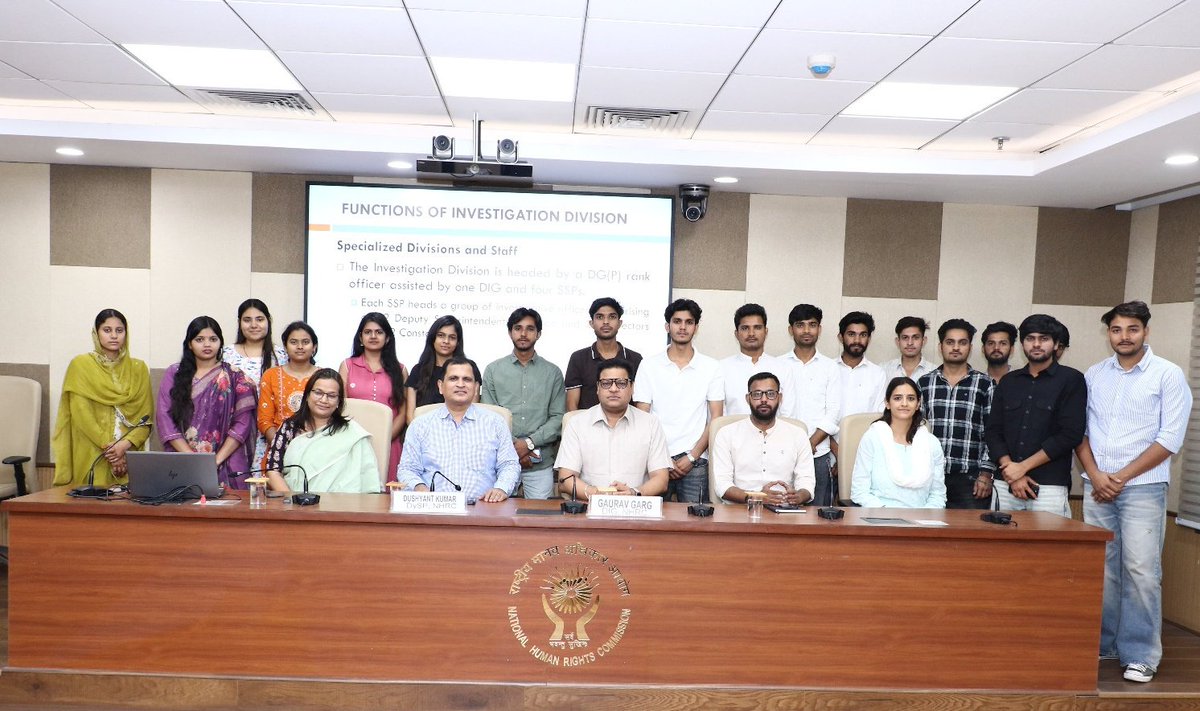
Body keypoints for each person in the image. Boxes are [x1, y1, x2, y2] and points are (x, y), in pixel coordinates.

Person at [1075, 301, 1191, 684]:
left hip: (1142, 488)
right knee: (1104, 570)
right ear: (1108, 333)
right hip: (1097, 487)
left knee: (1141, 571)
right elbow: (1081, 430)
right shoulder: (1095, 374)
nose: (1124, 337)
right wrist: (1095, 474)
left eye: (1132, 329)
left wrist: (1119, 477)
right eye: (1116, 330)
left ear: (1146, 331)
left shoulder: (1167, 375)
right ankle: (1106, 645)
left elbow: (1169, 439)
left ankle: (1141, 654)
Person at [984, 314, 1086, 518]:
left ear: (1056, 344)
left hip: (1049, 487)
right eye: (1030, 339)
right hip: (1005, 484)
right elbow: (993, 431)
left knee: (1048, 549)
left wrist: (1021, 468)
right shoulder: (1008, 381)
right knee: (1000, 548)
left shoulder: (1071, 380)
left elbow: (1070, 435)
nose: (1037, 344)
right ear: (1022, 344)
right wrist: (1011, 472)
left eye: (1044, 339)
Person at [633, 299, 723, 503]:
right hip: (655, 460)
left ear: (696, 328)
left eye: (689, 322)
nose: (682, 327)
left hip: (696, 461)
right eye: (677, 321)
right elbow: (642, 415)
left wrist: (691, 457)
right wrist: (661, 459)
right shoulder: (649, 365)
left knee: (696, 525)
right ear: (667, 326)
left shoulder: (711, 367)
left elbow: (716, 417)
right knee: (650, 523)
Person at [51, 309, 154, 488]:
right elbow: (81, 414)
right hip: (91, 452)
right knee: (89, 508)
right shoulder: (81, 366)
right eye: (107, 330)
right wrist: (113, 453)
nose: (114, 336)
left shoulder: (139, 368)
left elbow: (145, 420)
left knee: (128, 510)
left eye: (119, 330)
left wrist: (123, 447)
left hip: (129, 455)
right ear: (96, 333)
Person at [397, 357, 519, 502]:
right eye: (454, 378)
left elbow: (509, 464)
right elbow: (407, 468)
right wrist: (418, 487)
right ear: (440, 386)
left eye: (467, 379)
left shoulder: (495, 423)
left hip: (484, 509)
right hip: (434, 510)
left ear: (475, 388)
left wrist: (501, 488)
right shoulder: (420, 425)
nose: (460, 384)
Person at [156, 316, 256, 489]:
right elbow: (164, 418)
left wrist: (215, 460)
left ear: (220, 343)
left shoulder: (235, 376)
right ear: (189, 344)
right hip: (183, 459)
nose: (207, 344)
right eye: (200, 339)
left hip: (226, 460)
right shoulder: (174, 374)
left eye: (213, 339)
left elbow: (243, 423)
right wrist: (194, 460)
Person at [554, 358, 670, 499]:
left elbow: (661, 480)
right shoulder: (577, 423)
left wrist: (633, 493)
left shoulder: (650, 423)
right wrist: (596, 494)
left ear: (632, 387)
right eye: (606, 383)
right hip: (589, 510)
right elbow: (566, 478)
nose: (613, 389)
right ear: (597, 388)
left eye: (621, 383)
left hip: (636, 510)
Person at [482, 307, 565, 499]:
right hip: (500, 462)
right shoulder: (493, 371)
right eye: (518, 328)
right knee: (497, 517)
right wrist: (515, 450)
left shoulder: (553, 373)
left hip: (540, 463)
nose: (523, 334)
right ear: (510, 332)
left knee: (539, 522)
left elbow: (558, 418)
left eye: (530, 329)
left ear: (538, 334)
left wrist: (528, 444)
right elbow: (490, 417)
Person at [918, 319, 995, 509]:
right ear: (940, 346)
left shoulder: (985, 384)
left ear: (970, 347)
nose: (956, 347)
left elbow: (993, 433)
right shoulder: (925, 383)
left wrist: (986, 474)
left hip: (971, 479)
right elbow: (914, 431)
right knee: (927, 535)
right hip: (929, 477)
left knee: (969, 536)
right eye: (950, 342)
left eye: (962, 342)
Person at [264, 369, 379, 494]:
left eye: (331, 395)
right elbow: (273, 471)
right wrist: (292, 501)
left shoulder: (352, 432)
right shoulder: (290, 427)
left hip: (343, 506)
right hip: (295, 505)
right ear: (307, 395)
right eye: (318, 393)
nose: (324, 400)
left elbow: (368, 478)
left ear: (339, 402)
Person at [712, 372, 815, 506]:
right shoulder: (727, 433)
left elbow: (806, 480)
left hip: (784, 510)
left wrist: (799, 496)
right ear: (748, 398)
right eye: (757, 394)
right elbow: (722, 485)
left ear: (780, 398)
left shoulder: (797, 434)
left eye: (770, 394)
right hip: (739, 511)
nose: (764, 399)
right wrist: (756, 497)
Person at [850, 377, 947, 508]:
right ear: (887, 403)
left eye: (911, 398)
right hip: (879, 518)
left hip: (922, 521)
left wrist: (923, 520)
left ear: (918, 404)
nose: (904, 403)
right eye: (897, 398)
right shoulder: (873, 438)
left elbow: (937, 495)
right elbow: (859, 492)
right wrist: (888, 516)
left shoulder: (931, 443)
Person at [777, 303, 840, 506]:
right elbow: (772, 410)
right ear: (790, 330)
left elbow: (833, 412)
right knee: (779, 512)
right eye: (800, 325)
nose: (806, 330)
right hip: (781, 452)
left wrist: (810, 443)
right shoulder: (778, 365)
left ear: (819, 329)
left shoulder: (831, 367)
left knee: (817, 517)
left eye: (812, 325)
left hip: (818, 453)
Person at [340, 313, 407, 483]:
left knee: (389, 499)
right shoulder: (347, 366)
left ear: (387, 338)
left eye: (379, 332)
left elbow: (403, 411)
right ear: (360, 338)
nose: (373, 336)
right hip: (353, 444)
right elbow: (340, 406)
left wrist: (385, 438)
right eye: (368, 332)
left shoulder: (400, 370)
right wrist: (358, 440)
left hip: (390, 445)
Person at [222, 299, 287, 467]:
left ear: (268, 321)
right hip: (234, 430)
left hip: (270, 431)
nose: (253, 325)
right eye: (247, 320)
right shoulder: (226, 354)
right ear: (239, 323)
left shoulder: (280, 354)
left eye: (259, 319)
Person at [258, 321, 319, 469]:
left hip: (316, 452)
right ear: (285, 346)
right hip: (279, 451)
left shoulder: (323, 377)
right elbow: (264, 421)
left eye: (305, 342)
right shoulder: (271, 375)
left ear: (314, 347)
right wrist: (284, 446)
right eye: (293, 342)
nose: (299, 347)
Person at [564, 297, 643, 411]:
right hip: (587, 426)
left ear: (620, 323)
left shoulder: (635, 358)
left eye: (612, 317)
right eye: (600, 317)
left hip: (626, 426)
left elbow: (638, 403)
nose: (606, 322)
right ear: (592, 323)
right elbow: (572, 405)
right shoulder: (578, 358)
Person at [719, 304, 788, 416]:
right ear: (736, 334)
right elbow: (719, 414)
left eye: (757, 327)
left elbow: (788, 414)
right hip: (732, 433)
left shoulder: (782, 368)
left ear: (766, 331)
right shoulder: (721, 368)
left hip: (775, 433)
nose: (751, 333)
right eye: (745, 328)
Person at [405, 315, 465, 424]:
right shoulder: (418, 371)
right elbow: (410, 416)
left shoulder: (467, 371)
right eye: (441, 336)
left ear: (458, 342)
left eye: (452, 337)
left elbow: (472, 411)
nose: (446, 341)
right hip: (422, 434)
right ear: (433, 338)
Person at [882, 316, 935, 381]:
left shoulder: (934, 372)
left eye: (915, 337)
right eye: (905, 337)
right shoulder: (883, 370)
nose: (910, 343)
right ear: (897, 341)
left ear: (924, 341)